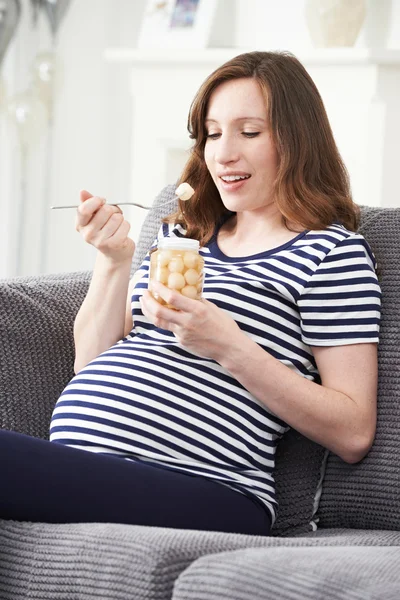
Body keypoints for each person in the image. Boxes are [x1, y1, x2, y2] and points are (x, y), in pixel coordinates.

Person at [0, 51, 381, 537]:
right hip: (97, 467)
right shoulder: (186, 237)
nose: (222, 154)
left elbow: (352, 431)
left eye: (249, 132)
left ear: (296, 140)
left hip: (212, 490)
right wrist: (114, 260)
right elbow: (91, 363)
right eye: (212, 133)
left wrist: (229, 344)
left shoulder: (331, 252)